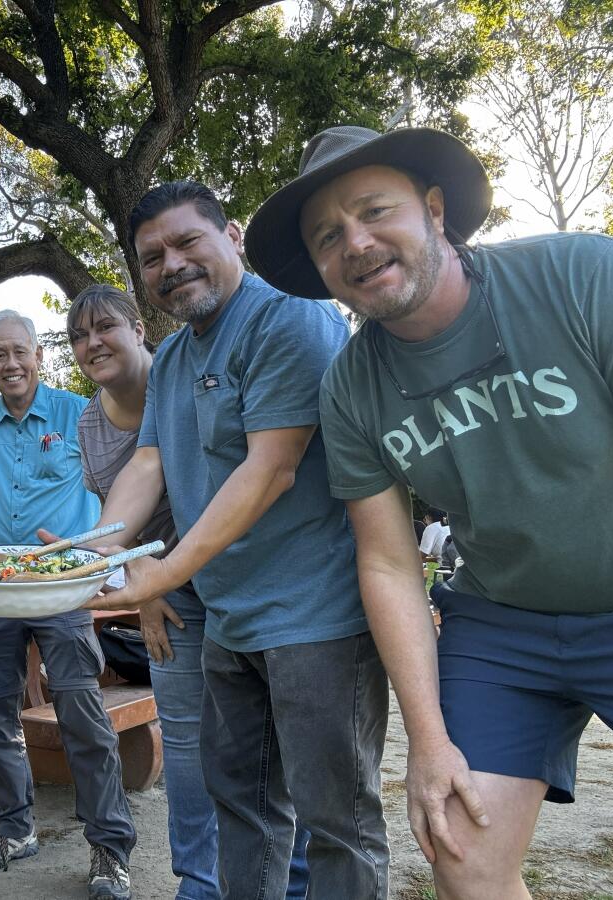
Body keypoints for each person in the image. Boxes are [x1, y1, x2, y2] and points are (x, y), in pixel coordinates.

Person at [243, 123, 613, 899]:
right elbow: (387, 560)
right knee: (460, 850)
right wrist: (426, 740)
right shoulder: (351, 385)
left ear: (434, 208)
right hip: (503, 625)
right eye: (327, 236)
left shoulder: (584, 274)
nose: (354, 242)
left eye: (374, 211)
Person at [80, 182, 389, 899]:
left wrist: (158, 575)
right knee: (243, 809)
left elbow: (271, 469)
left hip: (315, 618)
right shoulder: (177, 360)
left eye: (188, 242)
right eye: (152, 256)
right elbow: (149, 464)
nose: (171, 264)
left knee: (337, 822)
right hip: (230, 622)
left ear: (235, 236)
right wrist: (96, 548)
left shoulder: (292, 319)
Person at [0, 309, 136, 900]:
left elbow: (121, 488)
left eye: (20, 350)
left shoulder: (82, 413)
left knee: (82, 715)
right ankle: (14, 829)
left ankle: (109, 848)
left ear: (39, 356)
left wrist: (102, 560)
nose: (10, 363)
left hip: (60, 589)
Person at [67, 285, 220, 900]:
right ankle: (199, 885)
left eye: (104, 327)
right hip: (163, 596)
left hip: (233, 578)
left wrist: (157, 575)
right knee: (184, 743)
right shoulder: (88, 421)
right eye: (78, 336)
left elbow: (215, 487)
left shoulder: (187, 381)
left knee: (256, 739)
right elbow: (124, 515)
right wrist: (143, 585)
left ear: (137, 328)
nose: (91, 343)